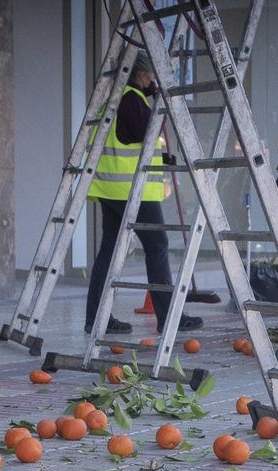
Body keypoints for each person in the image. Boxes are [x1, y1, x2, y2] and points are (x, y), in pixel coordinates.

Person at [85, 54, 202, 336]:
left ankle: (96, 319)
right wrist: (159, 104)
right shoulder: (131, 99)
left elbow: (132, 139)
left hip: (110, 188)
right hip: (132, 190)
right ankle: (168, 316)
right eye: (151, 75)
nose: (154, 80)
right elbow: (142, 132)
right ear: (139, 74)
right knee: (158, 246)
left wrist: (162, 157)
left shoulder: (117, 99)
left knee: (109, 251)